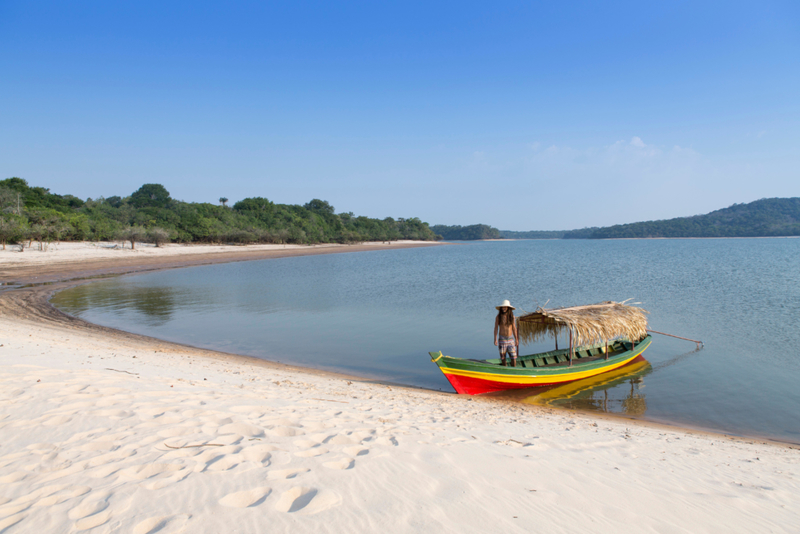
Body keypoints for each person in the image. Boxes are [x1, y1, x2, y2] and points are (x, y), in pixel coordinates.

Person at [493, 299, 519, 366]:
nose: (504, 308)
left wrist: (516, 339)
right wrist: (495, 339)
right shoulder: (498, 317)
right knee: (503, 357)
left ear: (508, 308)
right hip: (502, 339)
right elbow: (496, 328)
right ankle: (505, 369)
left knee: (513, 357)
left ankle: (514, 370)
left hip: (510, 339)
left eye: (505, 307)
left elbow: (514, 328)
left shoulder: (512, 317)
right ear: (501, 308)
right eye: (503, 307)